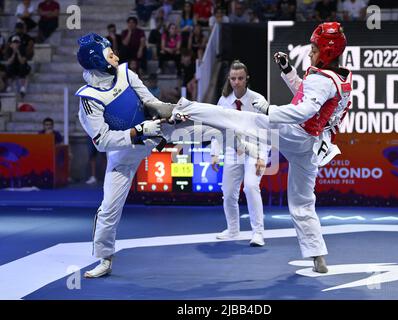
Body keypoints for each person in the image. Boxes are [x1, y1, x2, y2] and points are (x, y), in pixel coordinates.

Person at [147, 22, 352, 273]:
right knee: (302, 202)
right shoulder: (341, 77)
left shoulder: (322, 80)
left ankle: (178, 108)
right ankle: (317, 254)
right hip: (311, 146)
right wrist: (288, 72)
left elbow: (304, 110)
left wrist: (268, 110)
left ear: (328, 51)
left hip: (297, 134)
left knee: (239, 119)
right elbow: (305, 95)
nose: (310, 53)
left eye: (314, 48)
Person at [76, 33, 225, 278]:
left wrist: (172, 114)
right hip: (123, 156)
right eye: (109, 53)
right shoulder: (89, 99)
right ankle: (104, 259)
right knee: (108, 209)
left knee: (203, 122)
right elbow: (102, 141)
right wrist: (137, 132)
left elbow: (151, 102)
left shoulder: (126, 74)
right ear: (96, 60)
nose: (115, 55)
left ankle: (246, 128)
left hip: (156, 133)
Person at [211, 60, 268, 247]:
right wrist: (214, 154)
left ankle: (258, 233)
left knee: (251, 187)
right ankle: (233, 230)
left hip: (255, 149)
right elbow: (217, 129)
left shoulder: (258, 100)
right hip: (232, 150)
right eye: (233, 78)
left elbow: (267, 132)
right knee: (227, 192)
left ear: (247, 79)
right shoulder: (223, 101)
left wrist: (261, 157)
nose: (237, 82)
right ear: (229, 79)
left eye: (240, 78)